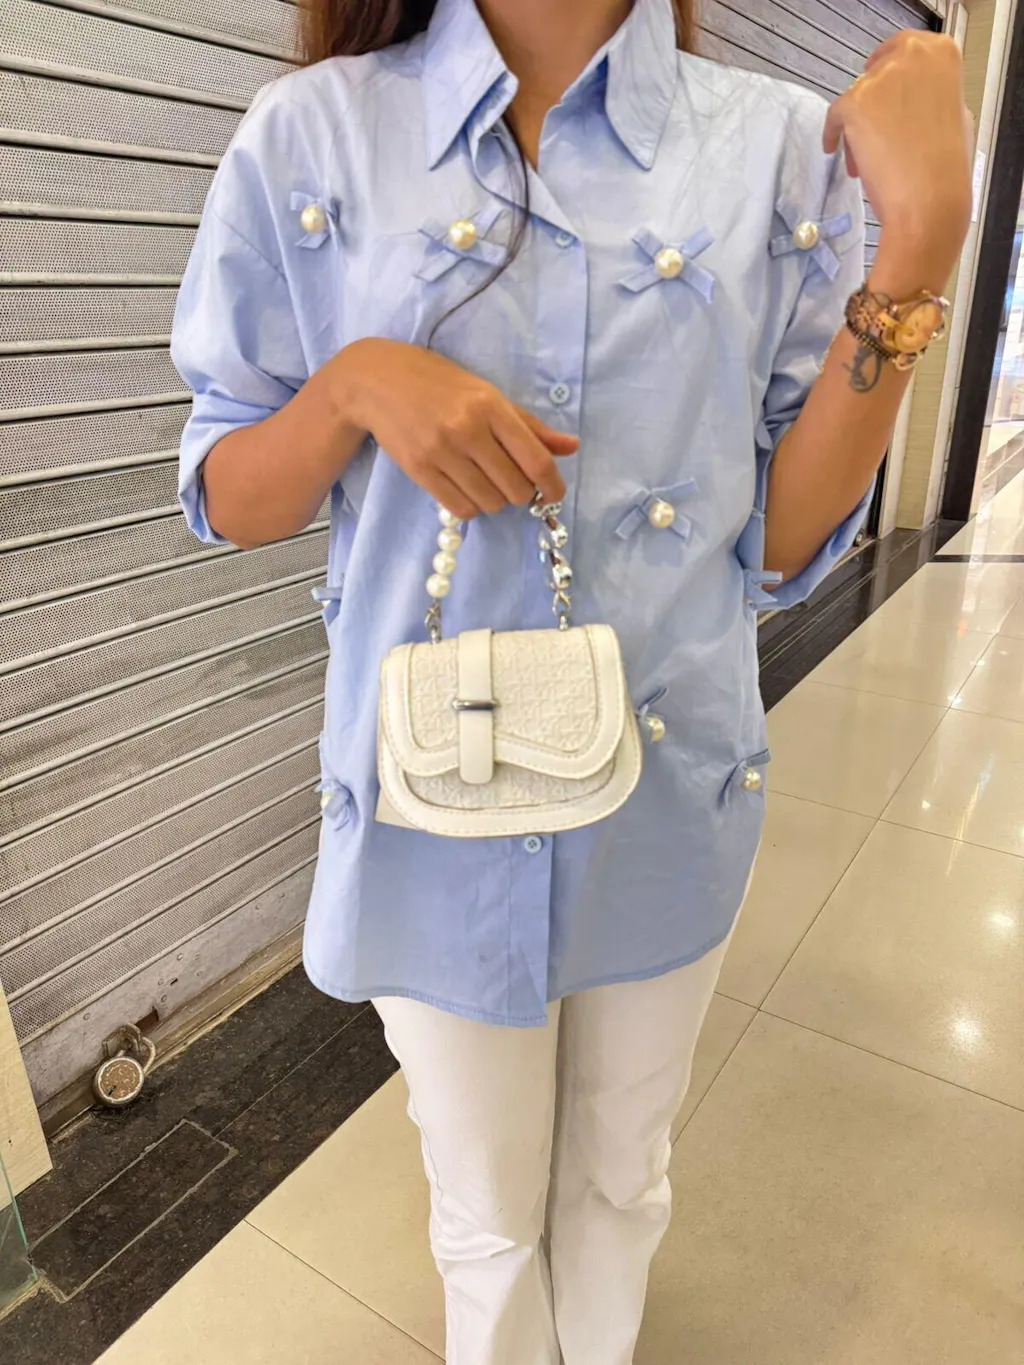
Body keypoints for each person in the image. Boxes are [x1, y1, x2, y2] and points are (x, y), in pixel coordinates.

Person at [170, 2, 971, 1360]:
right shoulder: (315, 137)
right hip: (431, 799)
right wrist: (351, 388)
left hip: (667, 782)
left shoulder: (782, 150)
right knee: (483, 1217)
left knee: (619, 1184)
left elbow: (783, 544)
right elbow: (230, 494)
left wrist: (921, 243)